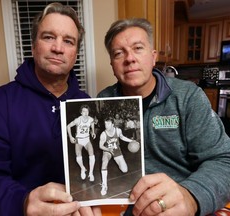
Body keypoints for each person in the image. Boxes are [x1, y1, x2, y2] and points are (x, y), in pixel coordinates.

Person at [0, 3, 101, 216]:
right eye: (48, 37)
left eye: (68, 41)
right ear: (34, 46)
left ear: (75, 54)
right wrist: (23, 202)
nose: (58, 47)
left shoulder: (87, 105)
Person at [97, 17, 230, 216]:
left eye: (138, 48)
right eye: (118, 53)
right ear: (112, 65)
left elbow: (224, 160)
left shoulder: (188, 97)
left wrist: (190, 196)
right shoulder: (102, 101)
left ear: (153, 57)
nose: (129, 58)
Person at [99, 116, 134, 196]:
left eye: (108, 124)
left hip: (116, 150)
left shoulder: (118, 131)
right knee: (104, 161)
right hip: (107, 150)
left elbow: (122, 137)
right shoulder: (103, 134)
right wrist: (108, 150)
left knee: (124, 170)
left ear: (112, 124)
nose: (106, 125)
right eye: (105, 124)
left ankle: (117, 161)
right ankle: (104, 185)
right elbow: (100, 146)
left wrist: (132, 141)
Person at [67, 104, 96, 182]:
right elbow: (68, 126)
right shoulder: (78, 120)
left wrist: (93, 132)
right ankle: (82, 169)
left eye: (87, 111)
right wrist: (70, 137)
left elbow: (92, 123)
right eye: (84, 111)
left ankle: (91, 173)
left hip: (87, 139)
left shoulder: (90, 119)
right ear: (81, 112)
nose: (85, 113)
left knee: (92, 155)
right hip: (79, 140)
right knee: (78, 157)